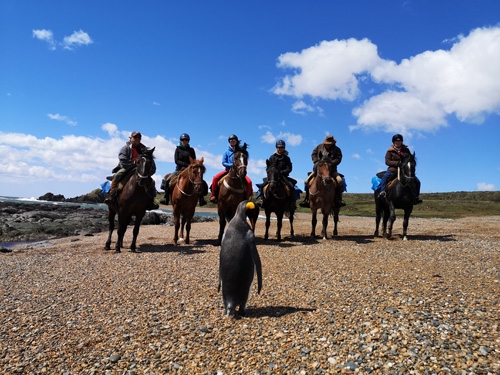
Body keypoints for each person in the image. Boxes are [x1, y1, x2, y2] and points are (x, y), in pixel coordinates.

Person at [105, 131, 159, 210]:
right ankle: (111, 197)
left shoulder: (144, 148)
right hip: (127, 167)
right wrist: (133, 164)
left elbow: (149, 160)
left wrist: (149, 171)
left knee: (152, 182)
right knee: (117, 175)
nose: (137, 139)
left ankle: (151, 201)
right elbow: (122, 158)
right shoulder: (126, 148)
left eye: (139, 137)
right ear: (131, 138)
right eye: (135, 137)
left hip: (140, 170)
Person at [160, 133, 207, 206]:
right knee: (168, 180)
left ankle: (201, 199)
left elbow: (194, 160)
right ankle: (166, 198)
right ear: (180, 140)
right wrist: (186, 165)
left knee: (200, 182)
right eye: (183, 140)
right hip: (179, 169)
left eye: (186, 140)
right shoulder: (178, 149)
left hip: (190, 170)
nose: (184, 141)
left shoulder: (191, 150)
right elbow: (176, 160)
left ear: (188, 141)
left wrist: (191, 166)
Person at [299, 134, 346, 208]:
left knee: (339, 181)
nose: (328, 145)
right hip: (318, 170)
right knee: (307, 181)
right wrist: (317, 162)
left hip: (332, 171)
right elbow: (313, 154)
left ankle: (338, 200)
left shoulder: (337, 150)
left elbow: (338, 159)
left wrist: (330, 163)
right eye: (327, 144)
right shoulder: (319, 147)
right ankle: (307, 199)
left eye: (330, 144)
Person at [378, 134, 422, 204]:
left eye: (399, 141)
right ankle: (383, 192)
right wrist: (398, 163)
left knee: (417, 181)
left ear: (401, 142)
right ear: (393, 142)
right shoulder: (390, 151)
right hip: (393, 169)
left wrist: (406, 163)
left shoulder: (406, 150)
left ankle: (416, 197)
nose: (398, 142)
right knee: (385, 177)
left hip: (405, 170)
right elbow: (387, 161)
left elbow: (409, 159)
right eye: (396, 141)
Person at [209, 134, 252, 203]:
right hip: (228, 170)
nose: (232, 141)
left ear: (236, 141)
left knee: (249, 182)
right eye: (230, 140)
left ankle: (246, 198)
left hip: (239, 171)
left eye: (234, 140)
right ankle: (213, 195)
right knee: (215, 178)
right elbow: (223, 162)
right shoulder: (226, 152)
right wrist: (231, 165)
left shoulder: (240, 151)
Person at [257, 140, 297, 208]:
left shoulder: (287, 158)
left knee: (291, 187)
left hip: (283, 176)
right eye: (279, 147)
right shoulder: (272, 157)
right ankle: (262, 200)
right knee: (262, 186)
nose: (280, 149)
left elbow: (289, 168)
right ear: (276, 148)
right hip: (272, 177)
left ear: (284, 148)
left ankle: (292, 202)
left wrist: (281, 172)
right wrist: (272, 173)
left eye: (282, 147)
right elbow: (268, 168)